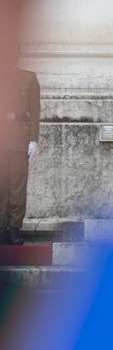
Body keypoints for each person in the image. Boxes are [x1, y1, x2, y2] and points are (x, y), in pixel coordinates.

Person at [0, 59, 40, 245]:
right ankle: (2, 227)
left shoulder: (29, 78)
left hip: (18, 138)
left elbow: (34, 111)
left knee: (17, 185)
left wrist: (33, 139)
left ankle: (15, 226)